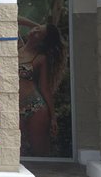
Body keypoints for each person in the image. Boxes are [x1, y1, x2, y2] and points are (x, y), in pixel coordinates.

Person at [17, 17, 68, 157]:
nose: (35, 32)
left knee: (40, 152)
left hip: (35, 107)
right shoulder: (17, 45)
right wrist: (37, 25)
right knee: (16, 149)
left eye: (39, 33)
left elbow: (45, 88)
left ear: (42, 41)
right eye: (36, 29)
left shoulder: (40, 58)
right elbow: (13, 19)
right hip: (14, 107)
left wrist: (53, 117)